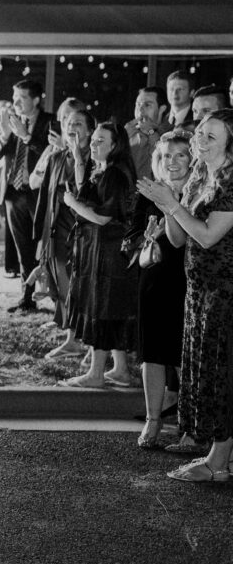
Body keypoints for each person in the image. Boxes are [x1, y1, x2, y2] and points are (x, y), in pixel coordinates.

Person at [138, 110, 233, 482]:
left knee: (221, 372)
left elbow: (209, 236)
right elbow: (179, 238)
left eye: (211, 136)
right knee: (204, 371)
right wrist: (167, 204)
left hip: (226, 290)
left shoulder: (230, 180)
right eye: (200, 135)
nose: (200, 142)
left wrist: (173, 204)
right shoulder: (199, 175)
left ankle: (217, 462)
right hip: (199, 290)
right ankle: (219, 455)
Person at [60, 122, 138, 388]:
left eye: (100, 141)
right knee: (108, 308)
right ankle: (120, 370)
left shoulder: (115, 175)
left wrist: (72, 204)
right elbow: (88, 194)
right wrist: (80, 160)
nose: (93, 145)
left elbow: (103, 217)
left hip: (109, 253)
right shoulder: (105, 171)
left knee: (102, 308)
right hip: (102, 250)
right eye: (92, 140)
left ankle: (95, 374)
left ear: (116, 145)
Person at [128, 131, 191, 449]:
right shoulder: (148, 192)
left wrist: (170, 207)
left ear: (192, 160)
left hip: (188, 281)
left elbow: (187, 239)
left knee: (184, 353)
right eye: (167, 155)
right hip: (154, 279)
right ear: (158, 160)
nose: (173, 161)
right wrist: (143, 237)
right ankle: (153, 420)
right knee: (152, 353)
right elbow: (130, 236)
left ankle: (190, 425)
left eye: (181, 154)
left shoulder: (198, 193)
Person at [34, 109, 94, 360]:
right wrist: (40, 238)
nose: (72, 127)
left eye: (78, 123)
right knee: (63, 286)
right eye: (69, 123)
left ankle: (88, 341)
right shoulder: (57, 158)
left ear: (90, 131)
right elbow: (44, 198)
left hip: (84, 234)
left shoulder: (96, 160)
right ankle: (71, 338)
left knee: (83, 288)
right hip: (57, 232)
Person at [0, 80, 52, 313]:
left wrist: (26, 136)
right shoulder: (10, 121)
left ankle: (54, 295)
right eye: (14, 97)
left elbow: (51, 154)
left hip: (38, 194)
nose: (15, 102)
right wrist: (6, 135)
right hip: (13, 193)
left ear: (36, 100)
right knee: (22, 248)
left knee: (43, 245)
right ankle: (26, 297)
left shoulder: (49, 122)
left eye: (21, 98)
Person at [0, 100, 20, 278]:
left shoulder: (22, 130)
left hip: (27, 185)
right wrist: (4, 135)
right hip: (9, 184)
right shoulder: (4, 134)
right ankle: (11, 266)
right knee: (10, 230)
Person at [124, 86, 168, 181]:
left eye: (147, 105)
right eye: (138, 104)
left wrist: (151, 132)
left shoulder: (170, 134)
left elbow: (164, 158)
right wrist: (121, 139)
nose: (140, 110)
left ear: (162, 109)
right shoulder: (129, 134)